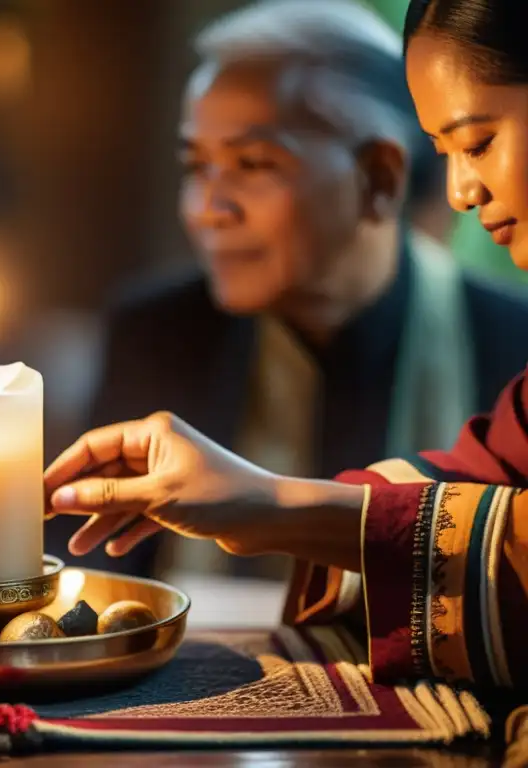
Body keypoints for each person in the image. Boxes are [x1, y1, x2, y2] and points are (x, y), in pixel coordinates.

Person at [47, 0, 528, 691]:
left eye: (251, 163)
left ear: (381, 178)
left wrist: (265, 507)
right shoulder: (157, 332)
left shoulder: (509, 333)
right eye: (195, 166)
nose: (210, 208)